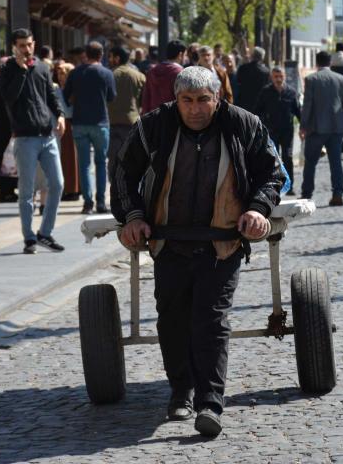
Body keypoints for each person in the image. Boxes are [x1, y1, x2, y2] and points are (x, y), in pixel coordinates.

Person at [112, 66, 285, 438]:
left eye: (203, 100)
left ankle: (210, 402)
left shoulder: (245, 125)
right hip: (169, 241)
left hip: (222, 242)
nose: (195, 109)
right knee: (171, 319)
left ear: (217, 98)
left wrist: (257, 208)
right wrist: (133, 216)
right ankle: (180, 390)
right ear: (176, 100)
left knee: (210, 319)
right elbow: (124, 172)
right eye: (187, 101)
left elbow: (272, 173)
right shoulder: (153, 126)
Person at [0, 28, 66, 254]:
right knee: (26, 191)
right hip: (25, 138)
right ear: (13, 47)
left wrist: (59, 115)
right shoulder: (7, 69)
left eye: (29, 45)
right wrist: (20, 70)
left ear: (34, 44)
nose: (26, 49)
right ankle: (28, 237)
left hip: (47, 135)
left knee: (57, 184)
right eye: (21, 45)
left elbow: (50, 95)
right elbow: (8, 98)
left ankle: (45, 233)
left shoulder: (42, 67)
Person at [63, 41, 117, 214]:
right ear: (101, 55)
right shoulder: (107, 73)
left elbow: (66, 96)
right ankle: (100, 202)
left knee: (84, 164)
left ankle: (87, 203)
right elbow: (111, 97)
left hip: (79, 123)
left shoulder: (75, 72)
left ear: (85, 54)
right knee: (101, 163)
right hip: (101, 122)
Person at [300, 50, 343, 206]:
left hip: (316, 127)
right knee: (336, 163)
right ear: (330, 62)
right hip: (336, 127)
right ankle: (338, 193)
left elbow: (307, 104)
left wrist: (303, 126)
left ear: (316, 63)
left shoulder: (311, 79)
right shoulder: (341, 79)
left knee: (310, 163)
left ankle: (307, 194)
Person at [254, 66, 301, 195]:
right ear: (271, 77)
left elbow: (298, 111)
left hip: (288, 131)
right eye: (276, 76)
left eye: (281, 76)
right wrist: (262, 126)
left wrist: (304, 127)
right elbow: (258, 111)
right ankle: (273, 187)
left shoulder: (291, 92)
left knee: (288, 157)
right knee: (273, 159)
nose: (278, 79)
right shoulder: (265, 92)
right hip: (271, 131)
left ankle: (290, 186)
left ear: (285, 76)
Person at [107, 45, 144, 179]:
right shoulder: (139, 76)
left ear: (117, 58)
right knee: (131, 159)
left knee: (114, 159)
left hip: (112, 122)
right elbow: (142, 99)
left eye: (110, 56)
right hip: (132, 122)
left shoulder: (110, 75)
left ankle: (115, 187)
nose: (109, 59)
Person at [0, 57, 18, 202]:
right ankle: (7, 190)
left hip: (1, 124)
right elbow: (8, 106)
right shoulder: (3, 83)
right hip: (7, 124)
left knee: (3, 157)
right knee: (8, 158)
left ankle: (6, 190)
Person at [53, 61, 80, 201]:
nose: (60, 76)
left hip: (70, 123)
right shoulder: (57, 88)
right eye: (58, 73)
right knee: (64, 157)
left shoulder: (72, 90)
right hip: (61, 124)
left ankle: (72, 189)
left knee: (70, 158)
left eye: (63, 73)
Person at [142, 40, 186, 114]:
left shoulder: (152, 71)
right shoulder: (181, 73)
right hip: (173, 118)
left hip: (153, 118)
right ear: (180, 55)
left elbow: (146, 97)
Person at [235, 46, 270, 112]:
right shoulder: (266, 71)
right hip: (259, 104)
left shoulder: (243, 68)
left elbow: (238, 82)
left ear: (252, 56)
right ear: (262, 57)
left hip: (244, 102)